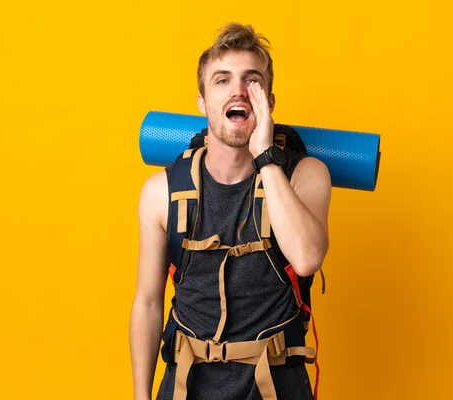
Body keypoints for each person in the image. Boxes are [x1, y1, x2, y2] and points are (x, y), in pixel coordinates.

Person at [130, 22, 331, 400]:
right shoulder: (161, 192)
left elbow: (306, 259)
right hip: (185, 388)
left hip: (276, 387)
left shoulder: (306, 174)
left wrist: (265, 156)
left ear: (268, 102)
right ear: (203, 102)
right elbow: (147, 301)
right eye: (222, 80)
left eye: (251, 81)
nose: (238, 90)